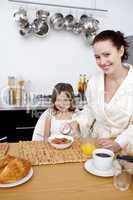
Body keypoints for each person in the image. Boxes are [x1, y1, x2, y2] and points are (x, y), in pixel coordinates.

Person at [77, 30, 133, 153]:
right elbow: (90, 109)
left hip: (126, 149)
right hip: (98, 144)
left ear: (120, 51)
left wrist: (119, 143)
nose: (102, 62)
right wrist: (77, 123)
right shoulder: (94, 81)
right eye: (97, 57)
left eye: (107, 54)